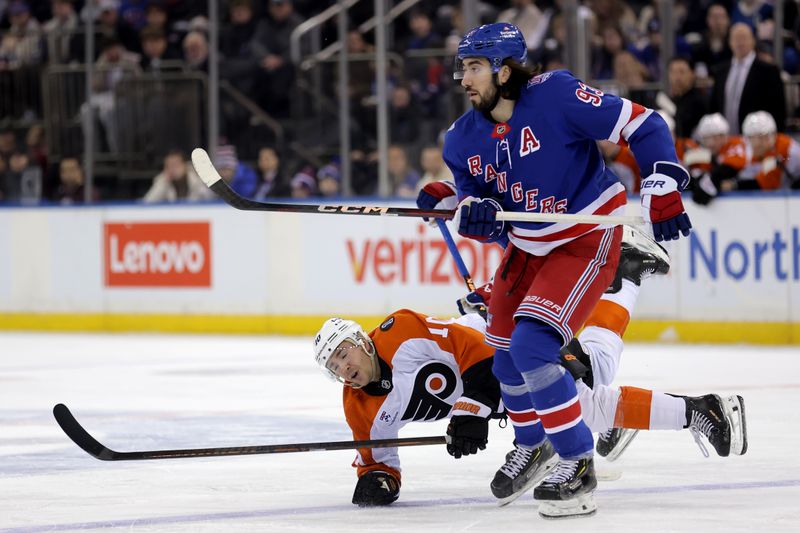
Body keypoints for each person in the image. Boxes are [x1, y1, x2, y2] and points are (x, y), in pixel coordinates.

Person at [434, 22, 693, 518]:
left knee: (533, 348)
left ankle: (577, 460)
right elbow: (481, 211)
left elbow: (646, 125)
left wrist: (662, 183)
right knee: (507, 360)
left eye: (473, 68)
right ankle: (535, 445)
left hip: (584, 236)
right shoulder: (461, 138)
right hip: (528, 247)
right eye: (460, 68)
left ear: (504, 71)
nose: (462, 79)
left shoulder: (554, 95)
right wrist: (473, 213)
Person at [313, 226, 747, 509]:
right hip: (504, 384)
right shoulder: (358, 407)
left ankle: (625, 271)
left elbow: (478, 352)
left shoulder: (399, 332)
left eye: (343, 353)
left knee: (593, 372)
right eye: (334, 366)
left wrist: (472, 411)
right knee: (588, 405)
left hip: (502, 336)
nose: (344, 367)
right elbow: (377, 461)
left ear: (361, 340)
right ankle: (698, 410)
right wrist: (377, 482)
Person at [709, 22, 785, 134]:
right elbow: (715, 107)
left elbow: (778, 109)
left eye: (744, 38)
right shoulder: (720, 71)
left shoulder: (768, 71)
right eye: (736, 38)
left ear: (753, 41)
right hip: (725, 141)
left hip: (757, 140)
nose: (740, 42)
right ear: (730, 42)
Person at [142, 149, 214, 203]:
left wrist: (196, 182)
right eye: (169, 166)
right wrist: (163, 183)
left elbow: (211, 198)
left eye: (176, 165)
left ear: (185, 165)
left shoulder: (195, 178)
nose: (173, 169)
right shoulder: (162, 181)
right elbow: (147, 202)